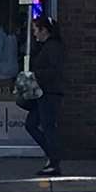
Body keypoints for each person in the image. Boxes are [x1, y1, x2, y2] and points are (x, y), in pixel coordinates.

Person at [25, 16, 65, 176]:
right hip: (43, 92)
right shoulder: (46, 46)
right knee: (31, 124)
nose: (34, 34)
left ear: (44, 30)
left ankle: (54, 160)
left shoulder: (53, 47)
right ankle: (53, 157)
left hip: (49, 93)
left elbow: (55, 71)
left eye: (36, 30)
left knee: (47, 127)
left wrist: (35, 75)